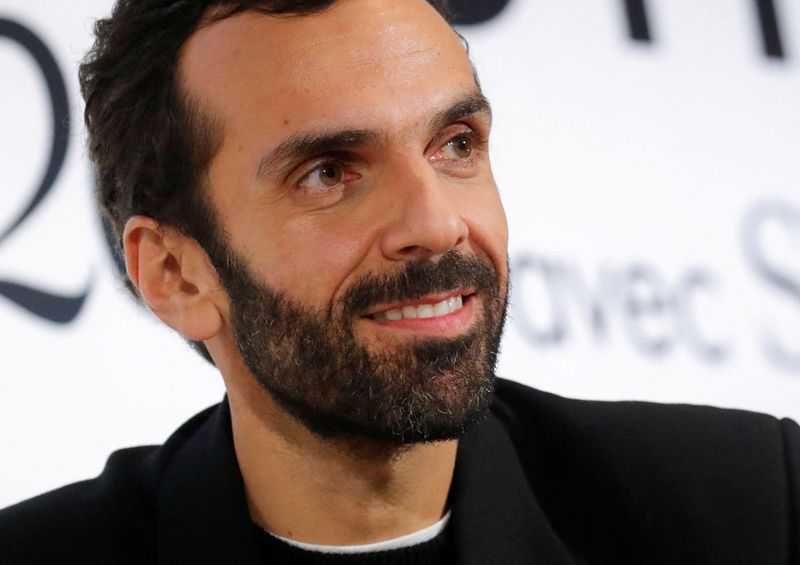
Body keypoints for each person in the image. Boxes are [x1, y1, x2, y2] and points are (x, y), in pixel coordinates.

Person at [1, 0, 798, 563]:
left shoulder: (745, 506)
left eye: (455, 144)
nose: (438, 223)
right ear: (175, 274)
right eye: (328, 172)